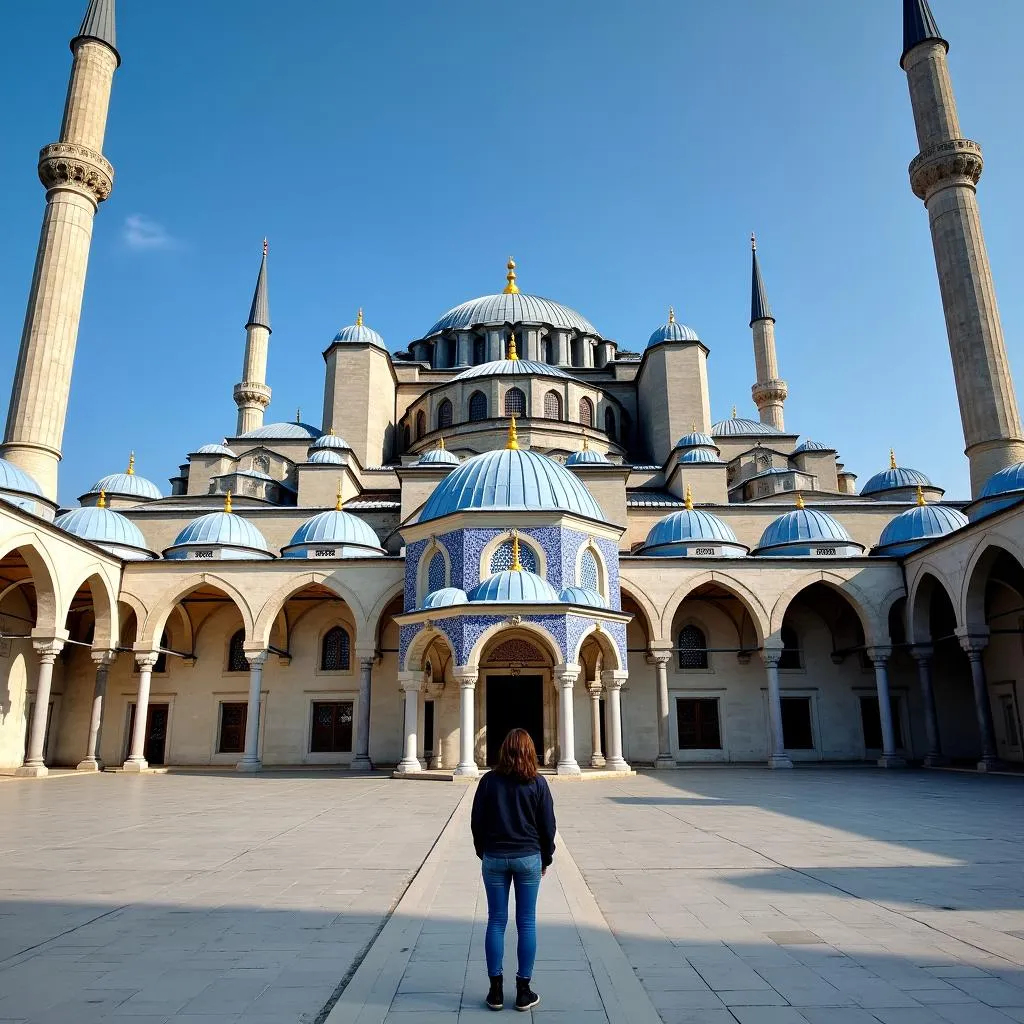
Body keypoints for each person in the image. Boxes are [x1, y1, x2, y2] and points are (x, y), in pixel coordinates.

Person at [471, 728, 556, 1012]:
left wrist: (484, 851)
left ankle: (495, 991)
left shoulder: (488, 782)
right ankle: (523, 990)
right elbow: (548, 826)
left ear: (503, 750)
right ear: (531, 752)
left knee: (496, 921)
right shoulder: (538, 783)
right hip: (528, 858)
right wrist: (546, 857)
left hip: (494, 857)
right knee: (526, 922)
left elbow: (477, 822)